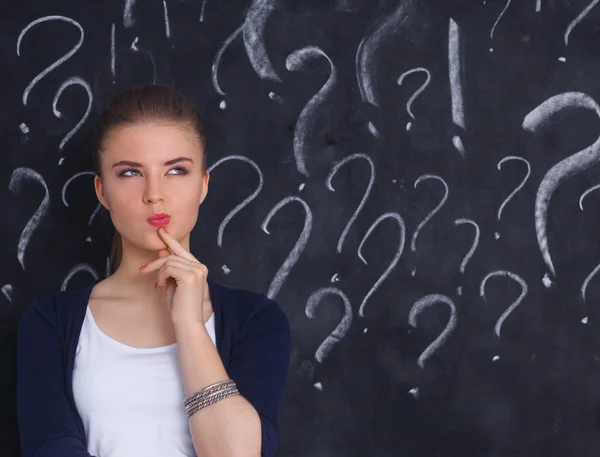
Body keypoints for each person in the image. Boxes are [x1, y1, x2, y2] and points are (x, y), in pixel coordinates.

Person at [16, 84, 291, 457]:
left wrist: (190, 326)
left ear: (203, 185)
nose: (154, 194)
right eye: (130, 173)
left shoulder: (256, 321)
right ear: (102, 192)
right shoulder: (50, 322)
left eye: (177, 170)